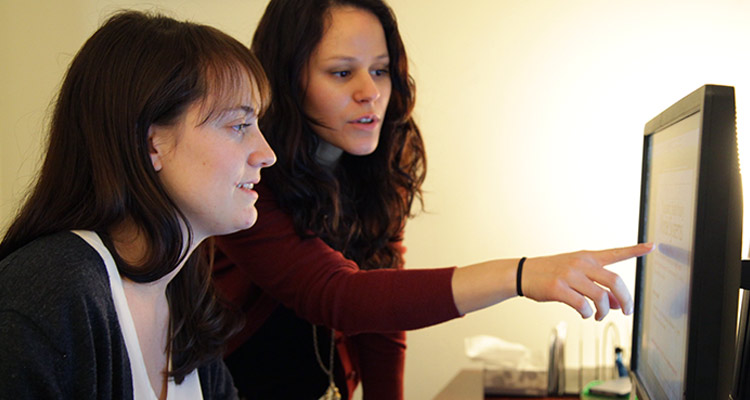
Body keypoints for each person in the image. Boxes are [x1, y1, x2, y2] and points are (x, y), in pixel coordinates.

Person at [211, 0, 652, 399]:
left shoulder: (378, 169)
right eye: (342, 72)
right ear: (289, 81)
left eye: (380, 69)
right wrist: (519, 275)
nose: (371, 91)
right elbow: (338, 295)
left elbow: (381, 320)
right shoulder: (247, 178)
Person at [0, 10, 276, 399]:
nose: (266, 153)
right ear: (151, 144)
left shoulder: (184, 299)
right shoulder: (50, 290)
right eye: (239, 126)